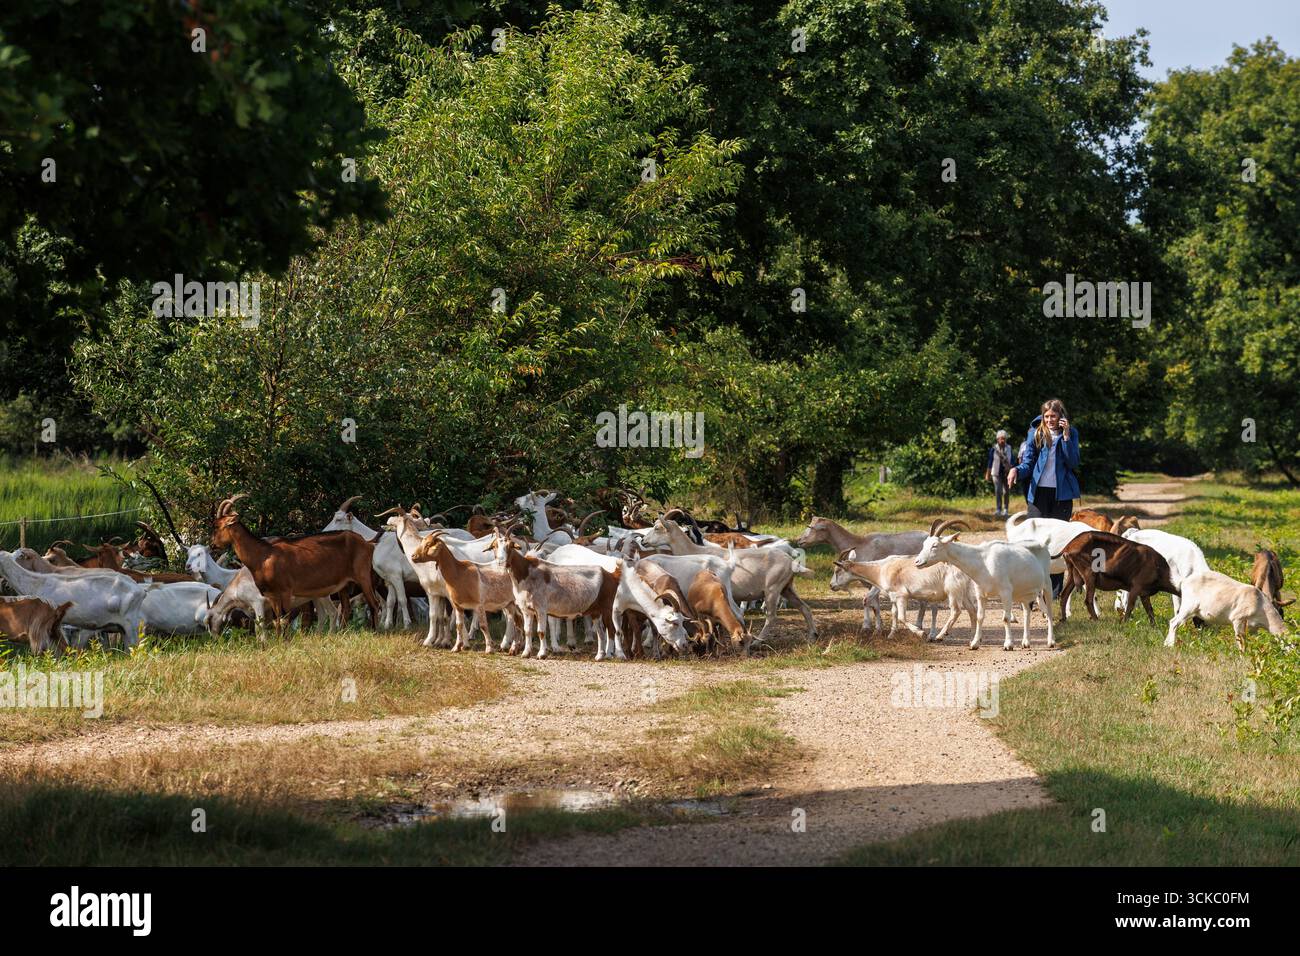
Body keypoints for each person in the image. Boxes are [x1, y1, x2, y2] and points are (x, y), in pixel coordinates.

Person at [1008, 398, 1081, 594]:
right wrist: (1016, 470)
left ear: (1061, 417)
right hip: (1038, 494)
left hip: (1061, 495)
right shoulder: (1035, 433)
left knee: (1058, 542)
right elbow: (1028, 463)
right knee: (1034, 540)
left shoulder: (1071, 433)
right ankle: (1032, 587)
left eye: (1053, 416)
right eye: (1046, 416)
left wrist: (1065, 437)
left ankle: (1054, 592)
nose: (1049, 420)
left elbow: (1073, 462)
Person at [984, 430, 1014, 517]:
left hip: (1007, 473)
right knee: (998, 491)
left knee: (1006, 492)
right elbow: (990, 462)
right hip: (996, 473)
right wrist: (987, 474)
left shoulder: (1009, 448)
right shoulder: (993, 449)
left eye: (1004, 439)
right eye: (1001, 439)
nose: (1002, 440)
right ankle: (998, 509)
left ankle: (1006, 509)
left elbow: (1012, 459)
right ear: (997, 439)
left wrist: (1012, 469)